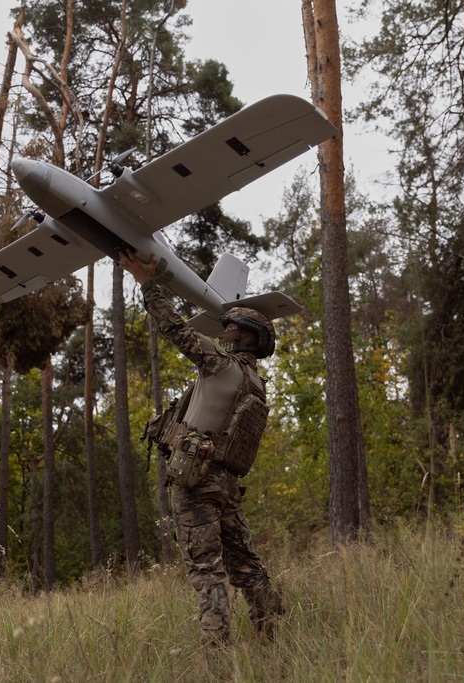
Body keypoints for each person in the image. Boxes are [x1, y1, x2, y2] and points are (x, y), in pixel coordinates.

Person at [121, 249, 284, 644]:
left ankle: (219, 656)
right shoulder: (256, 384)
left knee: (206, 571)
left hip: (195, 481)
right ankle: (273, 638)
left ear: (243, 335)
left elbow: (175, 329)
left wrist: (149, 284)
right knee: (246, 565)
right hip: (226, 485)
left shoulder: (221, 364)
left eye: (229, 327)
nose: (222, 332)